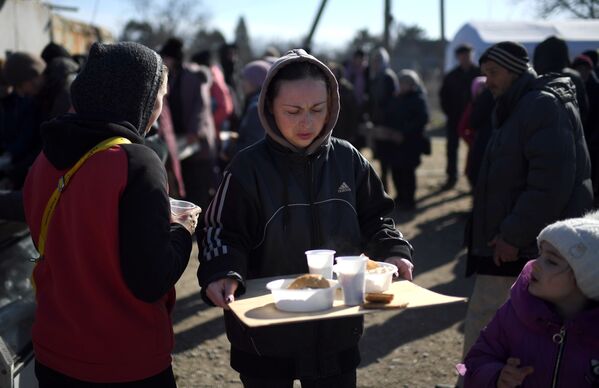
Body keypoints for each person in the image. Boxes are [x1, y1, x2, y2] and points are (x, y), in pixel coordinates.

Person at [197, 49, 414, 387]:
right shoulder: (247, 168)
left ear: (332, 106)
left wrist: (393, 251)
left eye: (317, 109)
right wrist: (221, 270)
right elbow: (219, 231)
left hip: (336, 330)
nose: (306, 122)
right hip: (265, 333)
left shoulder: (348, 159)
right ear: (269, 107)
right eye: (293, 111)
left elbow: (378, 217)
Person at [22, 42, 198, 387]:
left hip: (54, 350)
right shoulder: (136, 162)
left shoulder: (46, 157)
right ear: (140, 97)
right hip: (123, 360)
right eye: (160, 96)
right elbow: (151, 279)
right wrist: (183, 231)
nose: (160, 110)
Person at [463, 41, 594, 360]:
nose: (488, 81)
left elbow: (549, 185)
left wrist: (512, 235)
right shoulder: (518, 104)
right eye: (485, 74)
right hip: (512, 241)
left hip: (519, 245)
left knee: (488, 319)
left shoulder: (540, 105)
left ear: (516, 70)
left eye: (493, 73)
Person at [462, 211, 599, 387]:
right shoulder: (515, 311)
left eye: (551, 261)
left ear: (586, 277)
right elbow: (473, 363)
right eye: (540, 254)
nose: (535, 263)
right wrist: (498, 376)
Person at [160, 37, 219, 210]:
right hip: (179, 142)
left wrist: (195, 131)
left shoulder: (193, 76)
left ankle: (200, 227)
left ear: (173, 58)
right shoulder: (170, 76)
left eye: (166, 57)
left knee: (198, 188)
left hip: (196, 142)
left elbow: (201, 106)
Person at [379, 69, 429, 210]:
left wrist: (403, 133)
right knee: (396, 171)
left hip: (410, 143)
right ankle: (400, 197)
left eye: (406, 83)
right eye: (400, 83)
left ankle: (409, 199)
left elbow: (422, 119)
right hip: (394, 143)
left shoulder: (418, 99)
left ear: (413, 84)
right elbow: (388, 116)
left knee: (408, 172)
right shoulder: (395, 99)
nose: (402, 85)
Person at [439, 43, 480, 189]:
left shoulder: (479, 74)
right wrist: (449, 112)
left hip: (475, 118)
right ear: (458, 57)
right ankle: (452, 176)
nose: (465, 58)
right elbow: (443, 96)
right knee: (451, 148)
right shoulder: (451, 76)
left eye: (467, 55)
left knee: (476, 147)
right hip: (455, 117)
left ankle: (474, 178)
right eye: (462, 55)